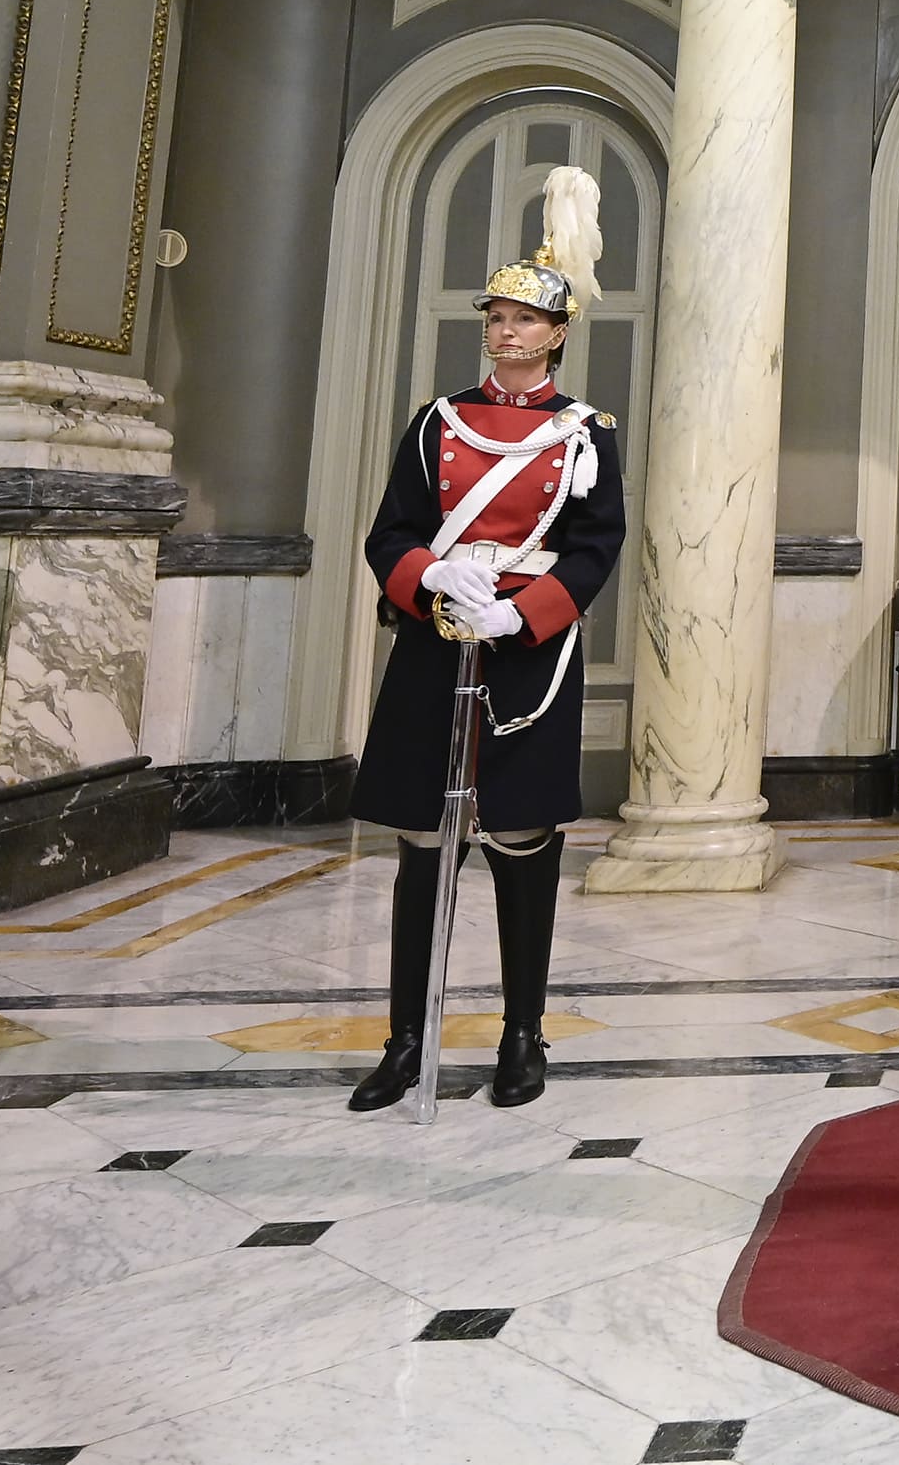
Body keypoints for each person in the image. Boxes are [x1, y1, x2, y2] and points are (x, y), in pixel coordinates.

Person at [345, 166, 624, 1113]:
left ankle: (521, 1033)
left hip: (526, 655)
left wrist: (527, 609)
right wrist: (430, 577)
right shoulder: (437, 421)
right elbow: (388, 532)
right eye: (494, 318)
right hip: (438, 640)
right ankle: (405, 1034)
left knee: (520, 840)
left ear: (556, 333)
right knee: (423, 847)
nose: (504, 332)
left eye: (522, 320)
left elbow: (596, 547)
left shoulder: (585, 433)